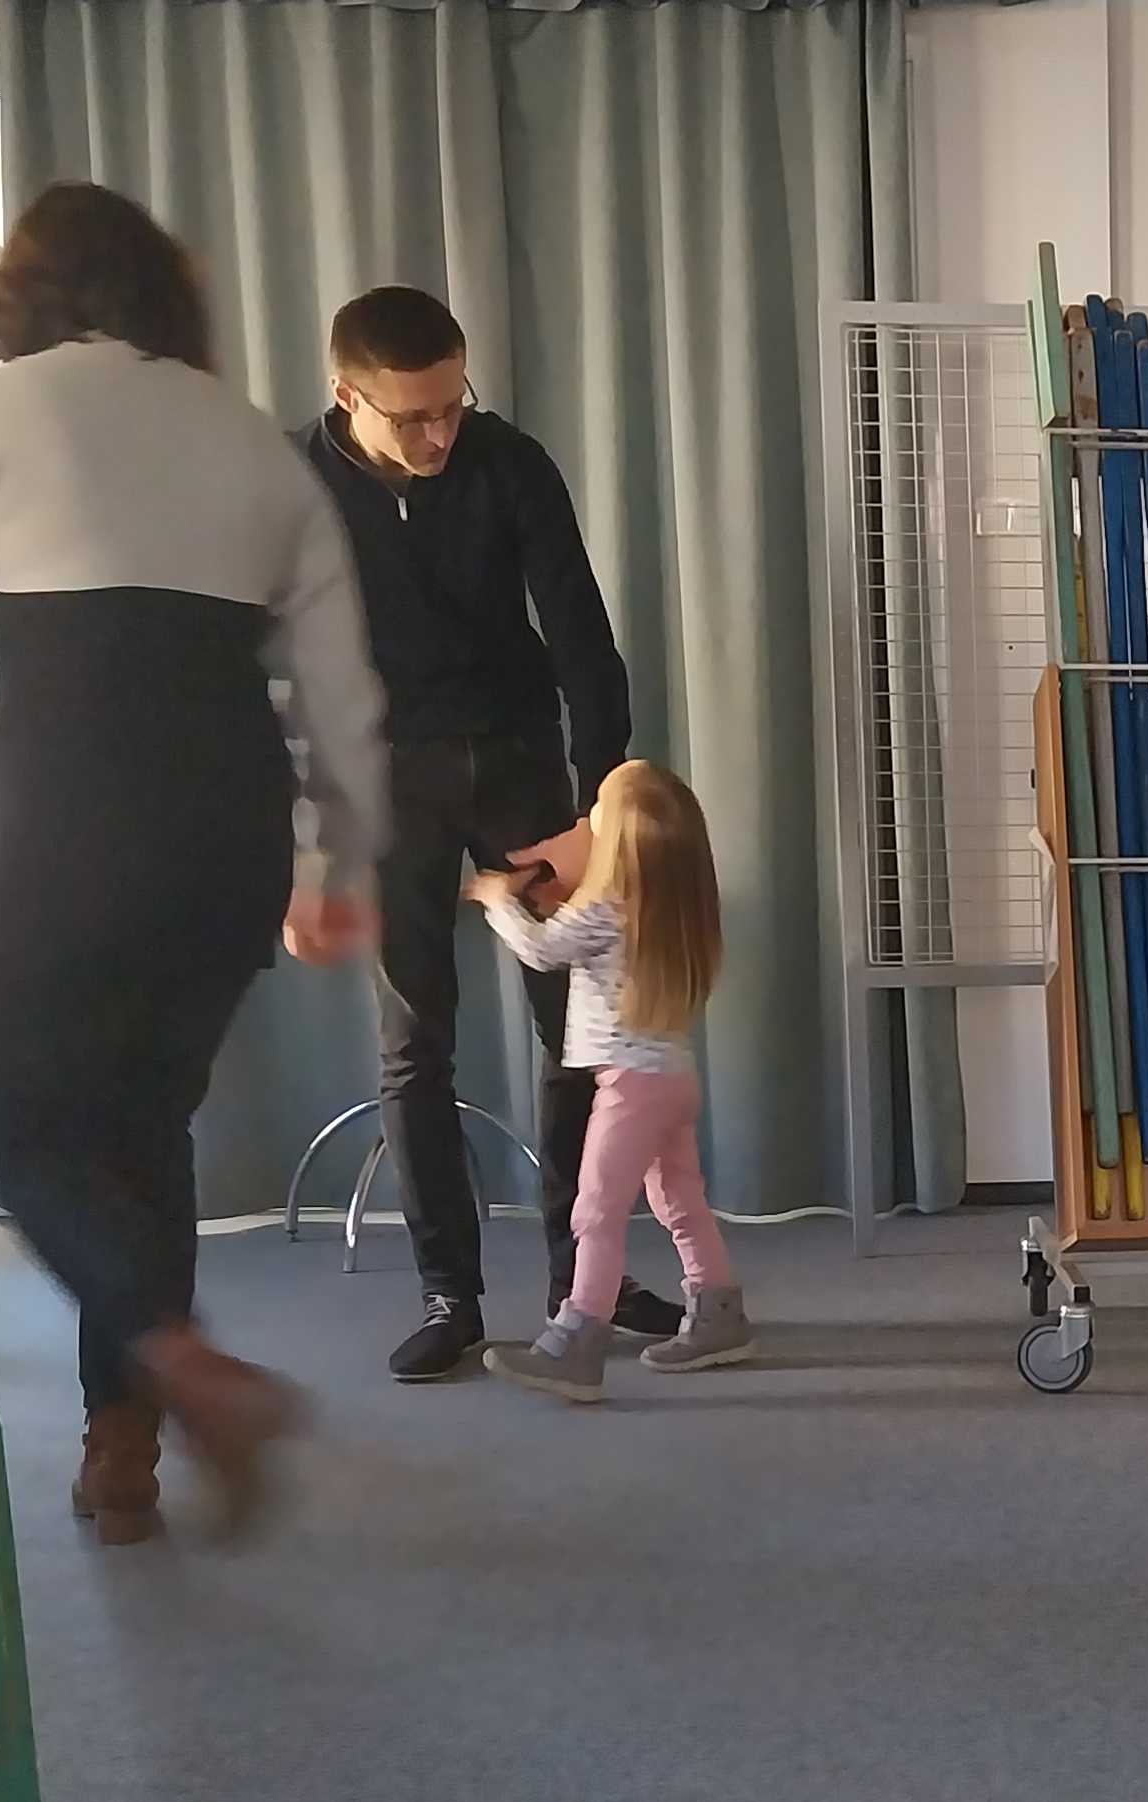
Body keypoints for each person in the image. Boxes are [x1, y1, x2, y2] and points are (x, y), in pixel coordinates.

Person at [0, 182, 390, 1543]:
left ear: (22, 293)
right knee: (142, 1133)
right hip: (225, 838)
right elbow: (343, 697)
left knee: (34, 1142)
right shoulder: (255, 444)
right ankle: (124, 1454)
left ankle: (180, 1366)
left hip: (68, 832)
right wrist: (339, 866)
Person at [301, 285, 678, 1383]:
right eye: (411, 416)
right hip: (387, 782)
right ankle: (449, 1294)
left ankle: (582, 1278)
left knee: (581, 1030)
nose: (438, 435)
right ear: (346, 397)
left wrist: (597, 811)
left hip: (518, 760)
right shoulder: (297, 487)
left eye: (452, 406)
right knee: (415, 1038)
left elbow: (583, 636)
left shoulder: (510, 462)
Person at [473, 760, 752, 1401]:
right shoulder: (667, 907)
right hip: (671, 1079)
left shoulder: (607, 905)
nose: (588, 815)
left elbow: (542, 950)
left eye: (600, 805)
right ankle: (719, 1316)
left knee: (595, 1212)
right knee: (680, 1202)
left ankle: (577, 1341)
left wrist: (497, 902)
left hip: (630, 1089)